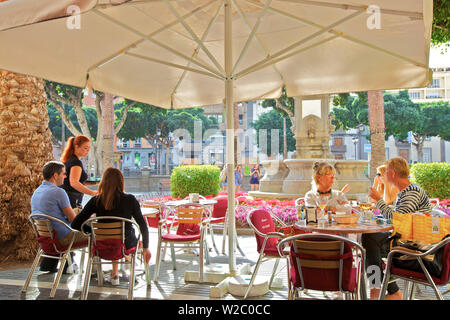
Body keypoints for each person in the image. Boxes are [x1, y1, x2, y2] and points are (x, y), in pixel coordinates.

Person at [365, 157, 431, 300]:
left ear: (393, 173)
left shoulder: (411, 192)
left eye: (386, 171)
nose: (384, 175)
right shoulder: (406, 191)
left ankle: (383, 290)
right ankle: (383, 289)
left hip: (413, 245)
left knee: (369, 241)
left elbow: (398, 221)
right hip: (407, 239)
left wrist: (378, 201)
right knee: (369, 241)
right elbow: (399, 218)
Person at [71, 167, 151, 286]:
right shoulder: (130, 200)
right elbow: (143, 226)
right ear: (121, 182)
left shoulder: (96, 200)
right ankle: (124, 268)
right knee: (124, 235)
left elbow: (75, 224)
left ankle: (115, 274)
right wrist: (145, 248)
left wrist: (93, 232)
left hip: (101, 247)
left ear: (103, 182)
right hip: (125, 247)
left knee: (114, 238)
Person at [30, 161, 88, 272]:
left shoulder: (37, 192)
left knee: (75, 214)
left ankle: (62, 265)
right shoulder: (59, 192)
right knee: (94, 235)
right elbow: (73, 220)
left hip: (47, 237)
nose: (65, 177)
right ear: (55, 175)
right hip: (62, 239)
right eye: (64, 174)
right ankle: (94, 271)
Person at [60, 135, 97, 209]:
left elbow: (80, 181)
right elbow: (74, 182)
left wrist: (97, 182)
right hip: (72, 199)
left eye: (89, 148)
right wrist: (92, 193)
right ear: (76, 147)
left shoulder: (70, 160)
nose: (88, 151)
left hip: (67, 197)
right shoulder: (75, 162)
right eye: (85, 148)